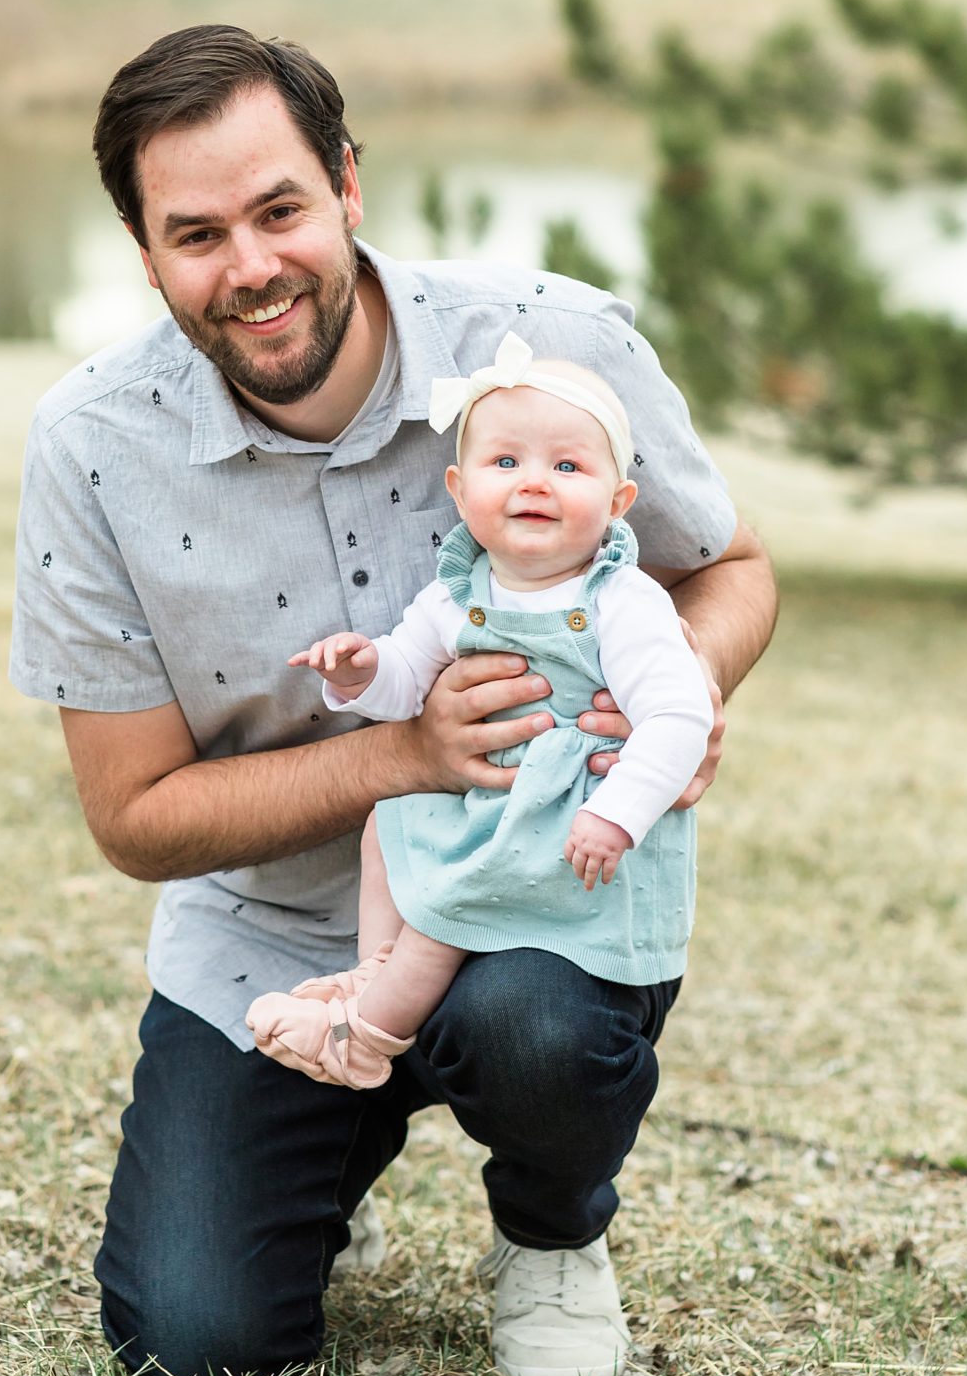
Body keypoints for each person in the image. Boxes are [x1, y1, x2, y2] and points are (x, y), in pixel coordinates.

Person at [9, 23, 778, 1376]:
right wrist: (398, 753)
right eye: (194, 235)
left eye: (279, 210)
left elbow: (724, 567)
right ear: (143, 255)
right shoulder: (91, 450)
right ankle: (318, 1149)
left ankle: (549, 1231)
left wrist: (690, 684)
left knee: (535, 1032)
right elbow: (132, 816)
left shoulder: (552, 342)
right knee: (196, 1345)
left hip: (534, 900)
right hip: (268, 941)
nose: (249, 267)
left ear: (347, 186)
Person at [245, 336, 713, 1089]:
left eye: (567, 466)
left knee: (449, 906)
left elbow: (678, 716)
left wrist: (617, 812)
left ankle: (364, 1037)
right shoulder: (457, 594)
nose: (535, 482)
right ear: (461, 492)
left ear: (617, 500)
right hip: (488, 808)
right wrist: (362, 670)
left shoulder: (620, 601)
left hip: (570, 824)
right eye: (506, 463)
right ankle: (374, 972)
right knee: (386, 823)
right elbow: (405, 684)